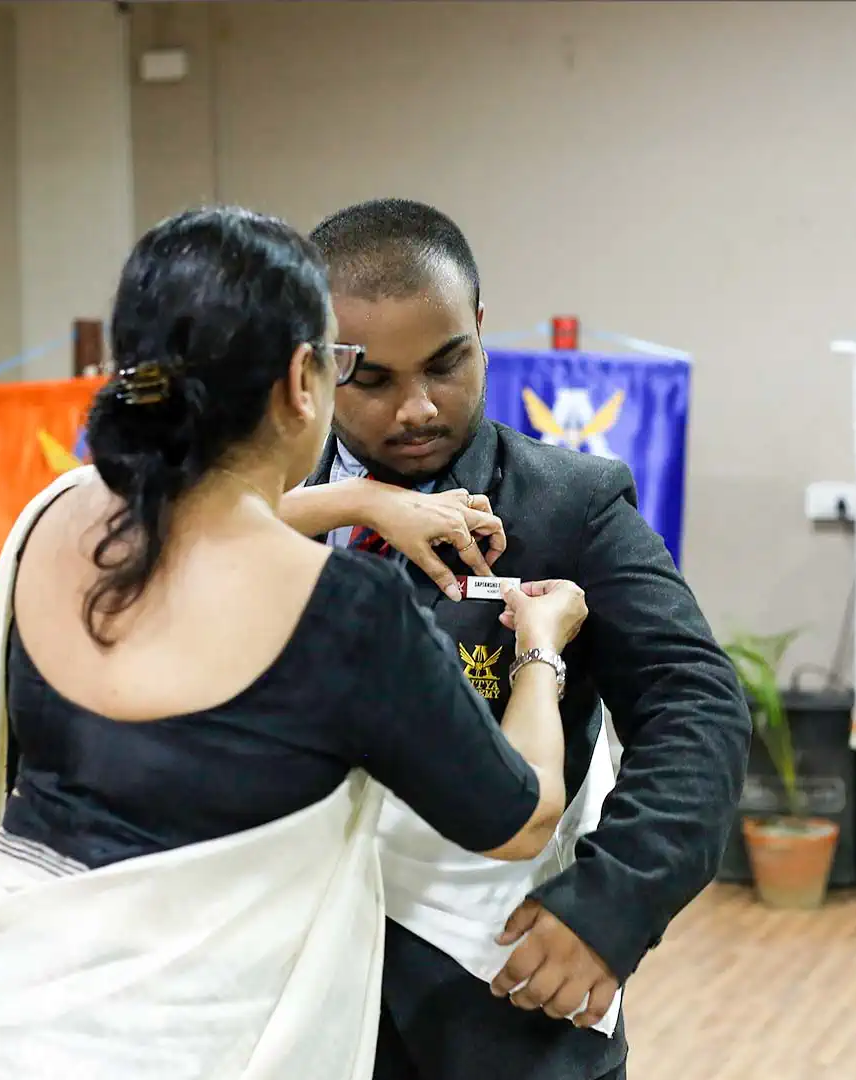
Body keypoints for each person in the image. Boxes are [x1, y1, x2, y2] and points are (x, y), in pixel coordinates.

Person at [0, 206, 593, 1080]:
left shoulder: (53, 518)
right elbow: (522, 818)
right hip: (186, 1047)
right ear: (303, 380)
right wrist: (540, 649)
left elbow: (200, 513)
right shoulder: (347, 612)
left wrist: (361, 499)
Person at [273, 198, 751, 1080]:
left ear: (481, 331)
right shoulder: (251, 505)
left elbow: (696, 706)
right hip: (288, 1003)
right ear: (316, 364)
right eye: (373, 381)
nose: (418, 408)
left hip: (504, 1002)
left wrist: (610, 903)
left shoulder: (569, 505)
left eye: (446, 363)